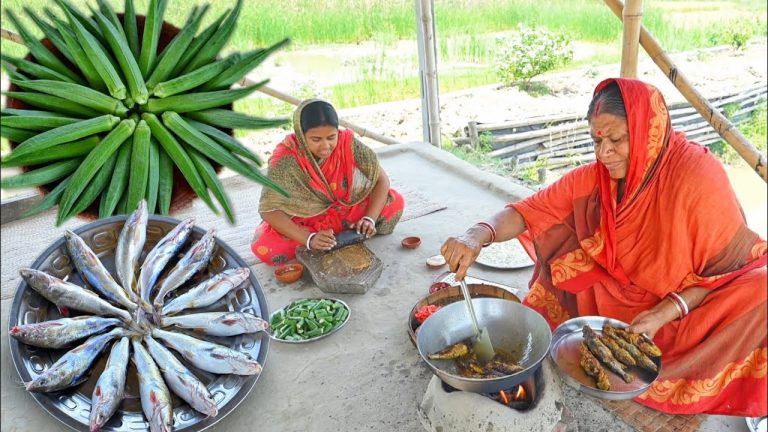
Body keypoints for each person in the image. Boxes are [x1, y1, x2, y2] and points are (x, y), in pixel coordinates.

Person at [441, 78, 767, 416]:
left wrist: (664, 312)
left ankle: (682, 370)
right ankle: (610, 350)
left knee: (762, 291)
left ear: (647, 133)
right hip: (616, 310)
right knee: (569, 244)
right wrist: (476, 235)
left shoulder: (696, 176)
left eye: (616, 139)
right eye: (597, 140)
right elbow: (528, 211)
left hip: (684, 307)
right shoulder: (597, 178)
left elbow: (729, 270)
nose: (603, 153)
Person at [252, 99, 404, 265]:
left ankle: (342, 233)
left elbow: (381, 180)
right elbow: (269, 210)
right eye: (316, 139)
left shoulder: (347, 143)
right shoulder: (285, 158)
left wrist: (369, 219)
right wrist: (309, 239)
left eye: (331, 137)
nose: (326, 146)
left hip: (345, 209)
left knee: (394, 203)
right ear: (301, 135)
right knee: (265, 246)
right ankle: (342, 235)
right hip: (306, 218)